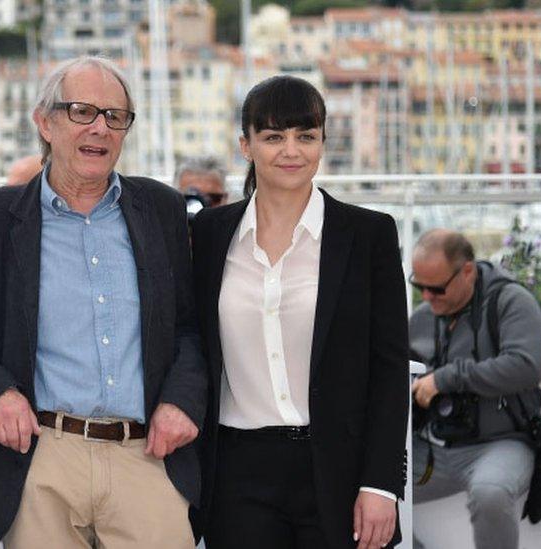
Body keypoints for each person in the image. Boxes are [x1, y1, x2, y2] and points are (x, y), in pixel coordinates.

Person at [0, 55, 206, 548]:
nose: (100, 129)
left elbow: (191, 329)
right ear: (44, 121)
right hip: (42, 459)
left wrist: (181, 401)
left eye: (115, 116)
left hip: (147, 455)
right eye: (82, 111)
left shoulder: (163, 210)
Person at [190, 75, 408, 549]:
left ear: (323, 142)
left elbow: (390, 370)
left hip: (340, 468)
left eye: (305, 136)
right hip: (237, 474)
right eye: (273, 136)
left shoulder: (368, 234)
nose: (291, 150)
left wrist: (381, 484)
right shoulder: (207, 234)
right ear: (245, 146)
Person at [409, 229, 541, 549]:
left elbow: (524, 366)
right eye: (420, 287)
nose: (427, 297)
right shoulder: (422, 318)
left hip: (501, 444)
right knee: (359, 488)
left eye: (437, 288)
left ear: (467, 271)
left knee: (491, 494)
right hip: (432, 451)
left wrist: (445, 378)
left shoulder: (511, 302)